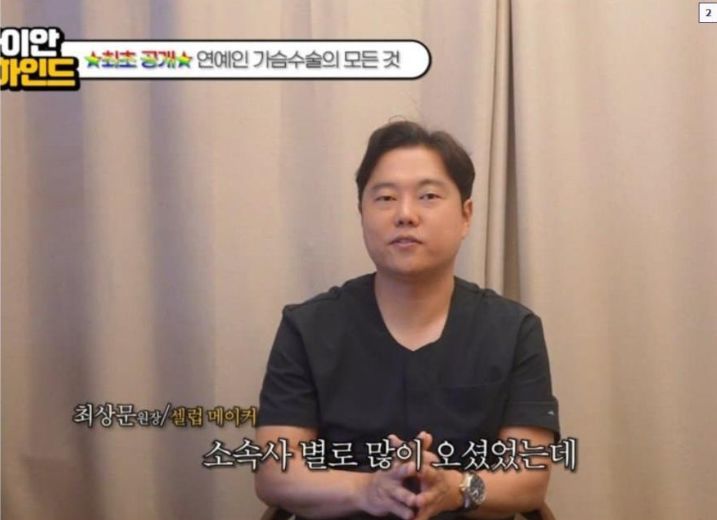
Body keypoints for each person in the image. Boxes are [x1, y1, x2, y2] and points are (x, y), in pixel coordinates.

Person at [254, 121, 560, 520]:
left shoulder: (514, 330)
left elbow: (529, 477)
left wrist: (455, 489)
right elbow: (274, 474)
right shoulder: (307, 329)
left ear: (466, 216)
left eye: (428, 196)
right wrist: (367, 490)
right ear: (362, 213)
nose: (405, 214)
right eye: (385, 198)